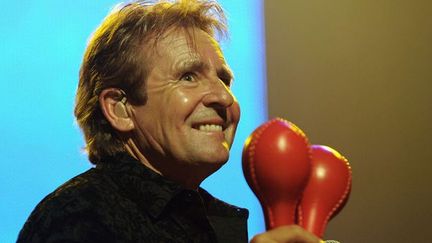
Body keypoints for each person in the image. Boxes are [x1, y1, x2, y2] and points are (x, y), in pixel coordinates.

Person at [18, 1, 322, 242]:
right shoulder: (77, 218)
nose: (224, 98)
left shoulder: (207, 221)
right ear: (120, 109)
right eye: (188, 76)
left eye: (224, 79)